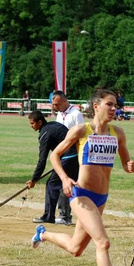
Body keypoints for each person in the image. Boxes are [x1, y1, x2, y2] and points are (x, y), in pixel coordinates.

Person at [32, 88, 134, 266]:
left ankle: (43, 234)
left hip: (101, 197)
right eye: (109, 104)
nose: (114, 109)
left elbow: (127, 164)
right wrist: (64, 179)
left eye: (116, 105)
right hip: (81, 195)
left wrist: (130, 166)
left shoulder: (117, 133)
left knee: (75, 248)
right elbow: (55, 155)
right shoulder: (81, 131)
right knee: (103, 242)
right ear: (96, 106)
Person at [27, 110, 78, 225]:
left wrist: (34, 179)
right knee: (65, 185)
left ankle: (49, 216)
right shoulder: (51, 126)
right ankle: (65, 217)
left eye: (32, 123)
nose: (31, 126)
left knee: (52, 184)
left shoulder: (45, 134)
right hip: (76, 157)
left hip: (69, 157)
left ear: (39, 122)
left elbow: (42, 160)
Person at [51, 91, 84, 225]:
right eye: (53, 105)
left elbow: (81, 136)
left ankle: (66, 216)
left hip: (73, 154)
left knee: (66, 183)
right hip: (62, 153)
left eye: (57, 104)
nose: (55, 107)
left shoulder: (76, 114)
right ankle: (65, 215)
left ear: (65, 101)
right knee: (63, 182)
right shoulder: (60, 114)